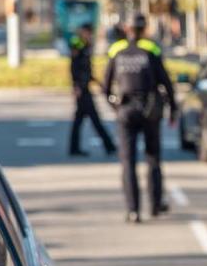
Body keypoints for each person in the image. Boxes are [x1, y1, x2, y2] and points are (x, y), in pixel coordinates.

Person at [103, 13, 179, 224]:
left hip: (126, 111)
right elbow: (166, 82)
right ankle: (155, 205)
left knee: (128, 162)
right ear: (144, 28)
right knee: (153, 158)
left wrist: (115, 106)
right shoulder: (152, 49)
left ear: (128, 29)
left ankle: (133, 210)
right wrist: (173, 108)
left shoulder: (116, 50)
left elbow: (105, 86)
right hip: (150, 110)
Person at [69, 24, 116, 157]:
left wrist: (97, 82)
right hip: (82, 89)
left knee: (80, 120)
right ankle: (109, 146)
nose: (89, 36)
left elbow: (87, 70)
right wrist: (76, 86)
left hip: (85, 86)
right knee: (94, 119)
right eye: (87, 33)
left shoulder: (86, 46)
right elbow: (74, 68)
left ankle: (74, 147)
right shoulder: (77, 45)